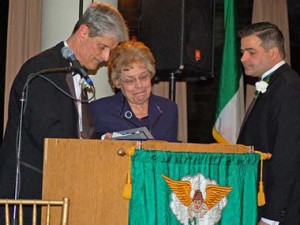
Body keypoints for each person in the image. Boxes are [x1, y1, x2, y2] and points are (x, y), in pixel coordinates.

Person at [0, 2, 128, 223]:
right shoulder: (41, 70)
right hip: (30, 199)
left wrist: (100, 142)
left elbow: (74, 132)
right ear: (83, 32)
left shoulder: (73, 73)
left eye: (111, 50)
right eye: (102, 47)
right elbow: (49, 136)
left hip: (58, 192)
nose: (106, 58)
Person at [237, 22, 300, 225]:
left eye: (250, 52)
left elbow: (287, 157)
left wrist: (271, 217)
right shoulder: (275, 84)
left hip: (281, 213)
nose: (243, 58)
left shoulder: (288, 88)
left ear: (273, 53)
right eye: (242, 51)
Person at [89, 41, 178, 142]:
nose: (139, 85)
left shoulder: (168, 109)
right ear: (117, 82)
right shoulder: (100, 110)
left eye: (143, 77)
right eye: (129, 80)